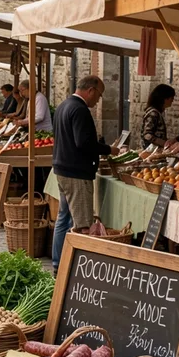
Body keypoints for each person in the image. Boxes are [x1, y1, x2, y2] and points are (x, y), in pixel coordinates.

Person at [51, 76, 118, 273]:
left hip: (63, 169)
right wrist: (108, 149)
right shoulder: (80, 110)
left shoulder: (64, 106)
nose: (98, 100)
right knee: (82, 224)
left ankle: (58, 263)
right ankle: (74, 269)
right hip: (76, 173)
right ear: (90, 90)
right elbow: (83, 143)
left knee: (64, 218)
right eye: (99, 95)